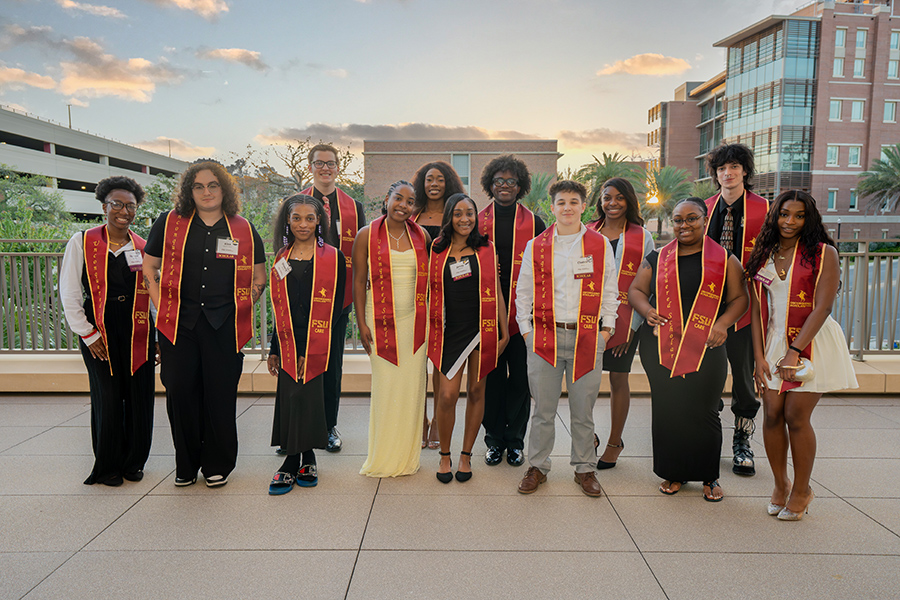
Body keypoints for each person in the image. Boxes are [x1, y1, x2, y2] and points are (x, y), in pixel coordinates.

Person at [143, 160, 267, 487]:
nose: (206, 192)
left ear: (224, 189)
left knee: (220, 394)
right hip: (178, 325)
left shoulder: (242, 228)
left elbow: (259, 276)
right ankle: (186, 463)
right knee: (180, 393)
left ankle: (217, 464)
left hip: (224, 326)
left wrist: (242, 305)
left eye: (213, 185)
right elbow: (149, 268)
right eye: (198, 186)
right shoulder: (169, 223)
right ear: (189, 191)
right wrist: (160, 306)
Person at [746, 190, 857, 520]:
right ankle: (781, 485)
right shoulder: (764, 254)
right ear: (775, 216)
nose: (789, 221)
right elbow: (755, 310)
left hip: (812, 341)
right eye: (783, 214)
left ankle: (802, 490)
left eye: (798, 216)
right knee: (770, 414)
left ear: (809, 219)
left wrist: (795, 352)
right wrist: (759, 356)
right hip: (773, 341)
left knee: (795, 415)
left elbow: (823, 307)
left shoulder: (823, 253)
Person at [628, 197, 749, 502]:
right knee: (669, 410)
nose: (684, 225)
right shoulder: (656, 258)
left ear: (705, 220)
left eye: (691, 218)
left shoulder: (724, 259)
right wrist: (646, 309)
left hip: (707, 345)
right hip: (660, 346)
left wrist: (722, 324)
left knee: (705, 410)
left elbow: (740, 299)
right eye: (678, 220)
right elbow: (636, 291)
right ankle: (674, 472)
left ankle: (709, 475)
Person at [515, 180, 618, 497]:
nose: (568, 208)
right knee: (543, 410)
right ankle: (537, 466)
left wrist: (605, 331)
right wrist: (527, 332)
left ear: (584, 206)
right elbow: (523, 293)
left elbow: (610, 292)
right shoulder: (537, 246)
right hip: (544, 337)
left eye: (574, 201)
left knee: (583, 411)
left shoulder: (600, 245)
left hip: (587, 336)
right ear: (552, 207)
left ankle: (585, 469)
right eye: (561, 202)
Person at [60, 176, 157, 486]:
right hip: (98, 327)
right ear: (104, 206)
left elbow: (153, 294)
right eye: (117, 204)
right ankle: (109, 465)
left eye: (131, 206)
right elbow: (70, 292)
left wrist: (156, 338)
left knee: (139, 395)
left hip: (137, 327)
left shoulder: (142, 246)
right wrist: (87, 334)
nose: (124, 211)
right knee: (109, 396)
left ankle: (134, 462)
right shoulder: (83, 241)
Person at [266, 194, 346, 494]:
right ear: (287, 221)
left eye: (309, 218)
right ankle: (292, 458)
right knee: (290, 395)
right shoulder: (280, 258)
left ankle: (307, 456)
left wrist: (313, 349)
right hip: (288, 338)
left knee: (310, 394)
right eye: (296, 218)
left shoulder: (333, 257)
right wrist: (275, 348)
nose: (303, 224)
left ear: (319, 222)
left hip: (319, 338)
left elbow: (337, 307)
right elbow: (278, 307)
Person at [428, 193, 509, 483]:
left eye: (470, 213)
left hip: (483, 328)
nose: (465, 219)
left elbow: (497, 290)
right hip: (450, 330)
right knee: (447, 395)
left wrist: (504, 330)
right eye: (458, 213)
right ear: (449, 217)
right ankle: (445, 455)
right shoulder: (435, 250)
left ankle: (465, 455)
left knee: (476, 392)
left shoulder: (486, 249)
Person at [352, 181, 431, 477]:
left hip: (414, 322)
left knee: (411, 389)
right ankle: (384, 455)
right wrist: (361, 323)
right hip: (379, 319)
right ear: (387, 199)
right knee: (386, 388)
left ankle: (407, 456)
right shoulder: (367, 234)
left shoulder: (420, 235)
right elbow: (359, 282)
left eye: (410, 202)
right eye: (398, 198)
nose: (403, 205)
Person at [704, 143, 769, 476]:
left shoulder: (765, 209)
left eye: (733, 167)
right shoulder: (704, 208)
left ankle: (742, 440)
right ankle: (708, 437)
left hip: (747, 306)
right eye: (721, 169)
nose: (727, 174)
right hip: (708, 306)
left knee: (744, 377)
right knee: (706, 374)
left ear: (745, 171)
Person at [478, 155, 546, 467]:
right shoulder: (476, 221)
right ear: (490, 185)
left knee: (520, 378)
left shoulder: (535, 223)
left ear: (521, 187)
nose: (505, 187)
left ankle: (515, 440)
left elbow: (546, 268)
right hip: (487, 313)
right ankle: (493, 439)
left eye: (511, 182)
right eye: (499, 181)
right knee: (491, 378)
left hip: (524, 315)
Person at [300, 143, 366, 453]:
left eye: (330, 163)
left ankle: (328, 426)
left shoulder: (353, 206)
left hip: (338, 300)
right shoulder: (296, 203)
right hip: (302, 299)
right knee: (299, 363)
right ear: (310, 166)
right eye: (319, 163)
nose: (325, 168)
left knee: (332, 366)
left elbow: (361, 254)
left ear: (338, 167)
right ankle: (297, 428)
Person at [587, 178, 655, 469]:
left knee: (617, 378)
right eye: (606, 198)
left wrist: (629, 327)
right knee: (584, 380)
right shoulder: (587, 231)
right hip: (588, 318)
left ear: (629, 200)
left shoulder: (642, 236)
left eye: (618, 198)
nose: (612, 203)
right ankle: (586, 434)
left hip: (627, 320)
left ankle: (615, 441)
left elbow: (646, 286)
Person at [413, 161, 466, 450]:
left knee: (439, 359)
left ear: (449, 183)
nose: (434, 184)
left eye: (440, 179)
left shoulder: (456, 214)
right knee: (417, 361)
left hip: (449, 296)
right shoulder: (412, 215)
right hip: (415, 294)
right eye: (429, 179)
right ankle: (418, 419)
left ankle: (436, 420)